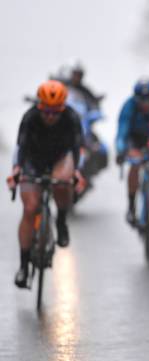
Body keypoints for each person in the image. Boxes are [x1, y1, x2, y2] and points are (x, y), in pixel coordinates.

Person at [7, 80, 85, 288]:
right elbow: (21, 148)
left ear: (63, 108)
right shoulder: (30, 118)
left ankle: (61, 220)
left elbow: (76, 150)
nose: (50, 116)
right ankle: (23, 267)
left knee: (61, 183)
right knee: (30, 208)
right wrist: (16, 170)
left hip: (60, 158)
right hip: (33, 160)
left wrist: (75, 172)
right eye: (46, 112)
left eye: (55, 112)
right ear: (39, 107)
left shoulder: (71, 118)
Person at [116, 78, 149, 224]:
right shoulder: (129, 106)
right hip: (135, 139)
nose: (146, 104)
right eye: (142, 100)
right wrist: (121, 150)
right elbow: (122, 131)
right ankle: (131, 206)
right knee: (135, 165)